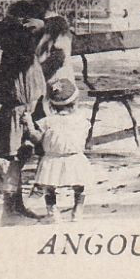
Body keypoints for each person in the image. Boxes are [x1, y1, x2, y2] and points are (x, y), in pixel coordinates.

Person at [0, 0, 72, 222]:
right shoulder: (23, 24)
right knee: (23, 152)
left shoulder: (53, 24)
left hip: (38, 92)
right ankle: (16, 205)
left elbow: (58, 56)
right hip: (26, 95)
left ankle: (24, 202)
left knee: (29, 150)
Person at [32, 77, 92, 221]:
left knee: (49, 186)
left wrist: (28, 125)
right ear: (75, 102)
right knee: (79, 184)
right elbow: (86, 135)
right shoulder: (81, 119)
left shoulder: (47, 121)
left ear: (51, 105)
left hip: (53, 157)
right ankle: (78, 210)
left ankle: (53, 212)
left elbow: (36, 138)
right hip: (74, 156)